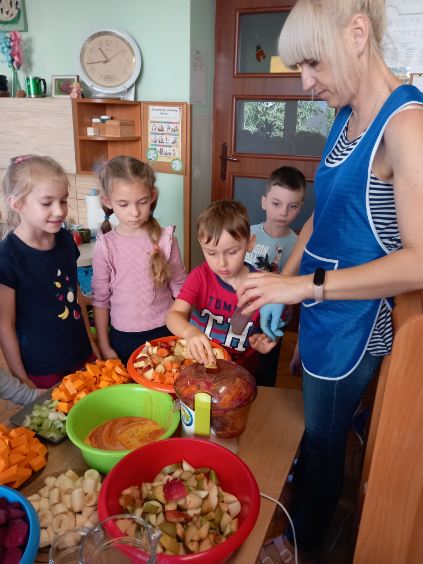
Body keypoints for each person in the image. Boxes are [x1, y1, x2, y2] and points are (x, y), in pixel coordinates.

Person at [237, 0, 423, 560]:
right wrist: (284, 280)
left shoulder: (407, 126)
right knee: (314, 430)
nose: (305, 82)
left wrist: (302, 288)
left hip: (356, 323)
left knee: (322, 444)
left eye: (312, 63)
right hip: (323, 308)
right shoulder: (345, 114)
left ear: (357, 33)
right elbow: (326, 213)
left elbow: (419, 262)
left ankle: (300, 546)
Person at [0, 155, 96, 389]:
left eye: (63, 201)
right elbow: (5, 325)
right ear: (17, 204)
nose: (59, 211)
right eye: (47, 203)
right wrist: (21, 378)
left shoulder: (65, 240)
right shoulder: (8, 257)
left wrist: (92, 345)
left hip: (81, 353)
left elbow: (76, 298)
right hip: (42, 367)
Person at [92, 156, 186, 365]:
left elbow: (181, 289)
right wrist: (105, 346)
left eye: (142, 202)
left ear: (152, 196)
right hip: (123, 339)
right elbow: (100, 299)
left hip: (166, 331)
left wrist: (185, 330)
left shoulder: (166, 240)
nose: (134, 212)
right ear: (108, 201)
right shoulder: (105, 245)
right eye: (123, 204)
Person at [166, 200, 278, 373]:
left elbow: (270, 332)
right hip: (198, 367)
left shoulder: (262, 286)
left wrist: (265, 342)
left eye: (232, 252)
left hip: (240, 371)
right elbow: (173, 315)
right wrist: (189, 332)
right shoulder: (200, 277)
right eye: (211, 253)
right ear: (201, 244)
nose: (222, 263)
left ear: (250, 243)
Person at [246, 166, 305, 386]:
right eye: (276, 204)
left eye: (292, 206)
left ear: (300, 208)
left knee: (267, 367)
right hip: (244, 312)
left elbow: (298, 286)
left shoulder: (299, 246)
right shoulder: (247, 234)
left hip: (274, 321)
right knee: (242, 361)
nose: (283, 212)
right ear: (264, 202)